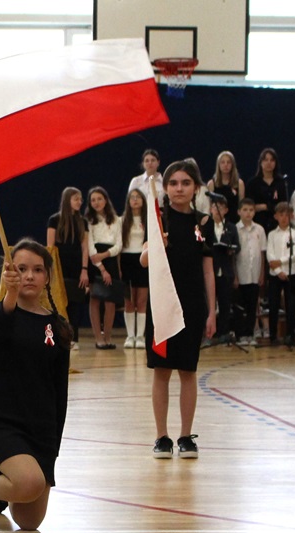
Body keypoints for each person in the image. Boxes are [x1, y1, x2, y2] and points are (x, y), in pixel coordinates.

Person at [0, 239, 71, 532]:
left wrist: (53, 449)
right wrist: (10, 295)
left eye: (37, 269)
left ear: (47, 277)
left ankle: (6, 484)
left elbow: (60, 393)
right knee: (29, 483)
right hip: (2, 423)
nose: (29, 276)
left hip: (41, 430)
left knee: (28, 522)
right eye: (21, 269)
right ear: (8, 274)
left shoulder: (59, 327)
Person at [141, 160, 216, 459]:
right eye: (173, 183)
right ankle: (162, 437)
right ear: (166, 187)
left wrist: (212, 311)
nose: (179, 188)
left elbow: (208, 270)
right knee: (162, 371)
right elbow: (143, 261)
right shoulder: (158, 219)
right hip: (162, 305)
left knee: (188, 370)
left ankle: (186, 436)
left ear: (195, 187)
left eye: (185, 183)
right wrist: (155, 246)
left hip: (193, 306)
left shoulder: (204, 222)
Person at [46, 187, 89, 349]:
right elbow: (50, 247)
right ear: (67, 200)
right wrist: (50, 270)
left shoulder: (82, 222)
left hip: (76, 267)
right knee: (59, 302)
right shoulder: (54, 220)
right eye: (76, 199)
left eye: (80, 199)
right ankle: (58, 336)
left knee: (75, 303)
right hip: (59, 267)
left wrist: (84, 269)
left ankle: (73, 337)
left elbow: (85, 247)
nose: (80, 202)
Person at [85, 186, 123, 349]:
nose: (96, 202)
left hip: (110, 258)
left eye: (99, 199)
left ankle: (107, 336)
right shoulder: (88, 221)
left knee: (110, 301)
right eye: (93, 200)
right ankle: (98, 338)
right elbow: (90, 247)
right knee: (95, 299)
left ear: (106, 200)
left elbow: (119, 244)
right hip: (95, 262)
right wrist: (101, 267)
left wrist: (105, 255)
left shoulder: (116, 220)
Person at [201, 192, 240, 342]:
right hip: (210, 268)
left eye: (221, 207)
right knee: (208, 303)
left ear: (226, 210)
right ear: (210, 209)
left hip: (225, 269)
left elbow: (237, 246)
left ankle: (224, 332)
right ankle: (208, 334)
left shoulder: (230, 227)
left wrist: (231, 248)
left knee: (225, 302)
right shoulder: (206, 226)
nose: (217, 210)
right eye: (215, 207)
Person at [265, 202, 295, 346]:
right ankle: (273, 336)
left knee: (291, 306)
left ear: (291, 216)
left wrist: (280, 262)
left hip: (291, 273)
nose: (284, 218)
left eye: (287, 215)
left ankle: (290, 335)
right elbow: (270, 254)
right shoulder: (272, 234)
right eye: (281, 215)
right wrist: (278, 271)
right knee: (273, 305)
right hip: (275, 274)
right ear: (276, 216)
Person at [118, 188, 149, 349]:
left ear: (143, 200)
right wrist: (119, 267)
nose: (135, 200)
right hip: (127, 260)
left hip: (143, 260)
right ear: (128, 201)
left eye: (138, 197)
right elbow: (119, 246)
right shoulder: (122, 220)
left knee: (142, 300)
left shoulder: (148, 220)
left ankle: (140, 336)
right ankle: (130, 336)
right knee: (129, 300)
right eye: (132, 197)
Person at [234, 199, 267, 346]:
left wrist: (261, 274)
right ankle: (240, 334)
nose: (248, 213)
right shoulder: (234, 229)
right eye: (245, 210)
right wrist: (235, 276)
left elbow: (262, 253)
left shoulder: (259, 229)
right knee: (240, 307)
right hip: (240, 274)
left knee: (252, 306)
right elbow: (233, 256)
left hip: (254, 274)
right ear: (239, 212)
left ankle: (250, 333)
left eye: (251, 210)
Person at [245, 148, 288, 233]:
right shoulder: (253, 183)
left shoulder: (281, 182)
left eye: (272, 160)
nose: (269, 163)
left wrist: (265, 207)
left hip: (277, 225)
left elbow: (284, 205)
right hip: (257, 225)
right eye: (265, 160)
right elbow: (249, 205)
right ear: (260, 162)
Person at [207, 150, 246, 224]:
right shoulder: (211, 184)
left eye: (228, 162)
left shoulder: (239, 183)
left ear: (232, 165)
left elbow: (242, 206)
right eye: (223, 162)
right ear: (218, 165)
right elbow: (209, 207)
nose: (226, 165)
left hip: (235, 222)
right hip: (217, 222)